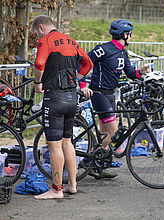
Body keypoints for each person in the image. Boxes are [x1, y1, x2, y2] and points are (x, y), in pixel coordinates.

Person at [32, 15, 93, 199]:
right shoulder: (71, 40)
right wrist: (76, 78)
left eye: (35, 33)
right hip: (72, 97)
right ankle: (72, 185)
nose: (36, 37)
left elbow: (39, 63)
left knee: (54, 146)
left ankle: (56, 189)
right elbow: (88, 63)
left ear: (41, 27)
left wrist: (37, 83)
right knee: (68, 142)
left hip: (55, 97)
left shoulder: (46, 41)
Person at [80, 19, 150, 178]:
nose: (130, 37)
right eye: (130, 34)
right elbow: (83, 63)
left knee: (105, 132)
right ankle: (89, 159)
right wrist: (83, 84)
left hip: (111, 93)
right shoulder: (104, 49)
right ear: (124, 34)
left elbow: (131, 74)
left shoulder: (122, 52)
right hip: (98, 93)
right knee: (115, 133)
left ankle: (97, 167)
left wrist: (142, 71)